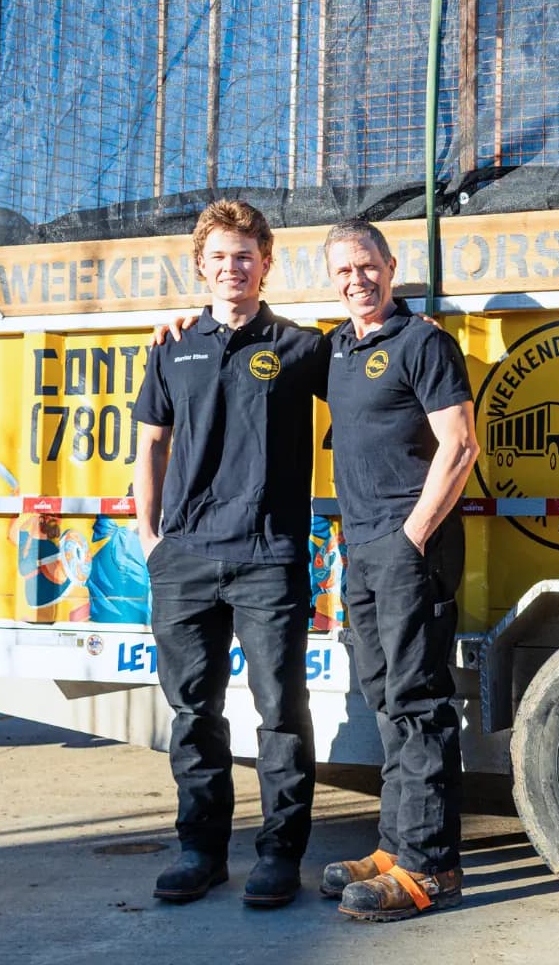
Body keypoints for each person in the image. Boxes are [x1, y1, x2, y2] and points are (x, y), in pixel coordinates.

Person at [133, 199, 328, 907]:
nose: (231, 267)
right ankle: (201, 851)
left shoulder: (304, 346)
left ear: (266, 264)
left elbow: (373, 371)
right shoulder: (172, 345)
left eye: (244, 255)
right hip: (184, 560)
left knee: (279, 712)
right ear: (201, 267)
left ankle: (280, 856)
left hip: (268, 557)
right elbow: (150, 444)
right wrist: (151, 537)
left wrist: (411, 331)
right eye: (218, 257)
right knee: (194, 715)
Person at [316, 218, 478, 921]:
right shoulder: (337, 352)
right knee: (384, 700)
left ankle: (430, 867)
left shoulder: (424, 344)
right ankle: (394, 846)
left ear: (390, 264)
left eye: (367, 266)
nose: (358, 280)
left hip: (412, 546)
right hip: (362, 549)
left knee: (419, 703)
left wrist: (411, 537)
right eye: (344, 272)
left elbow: (461, 444)